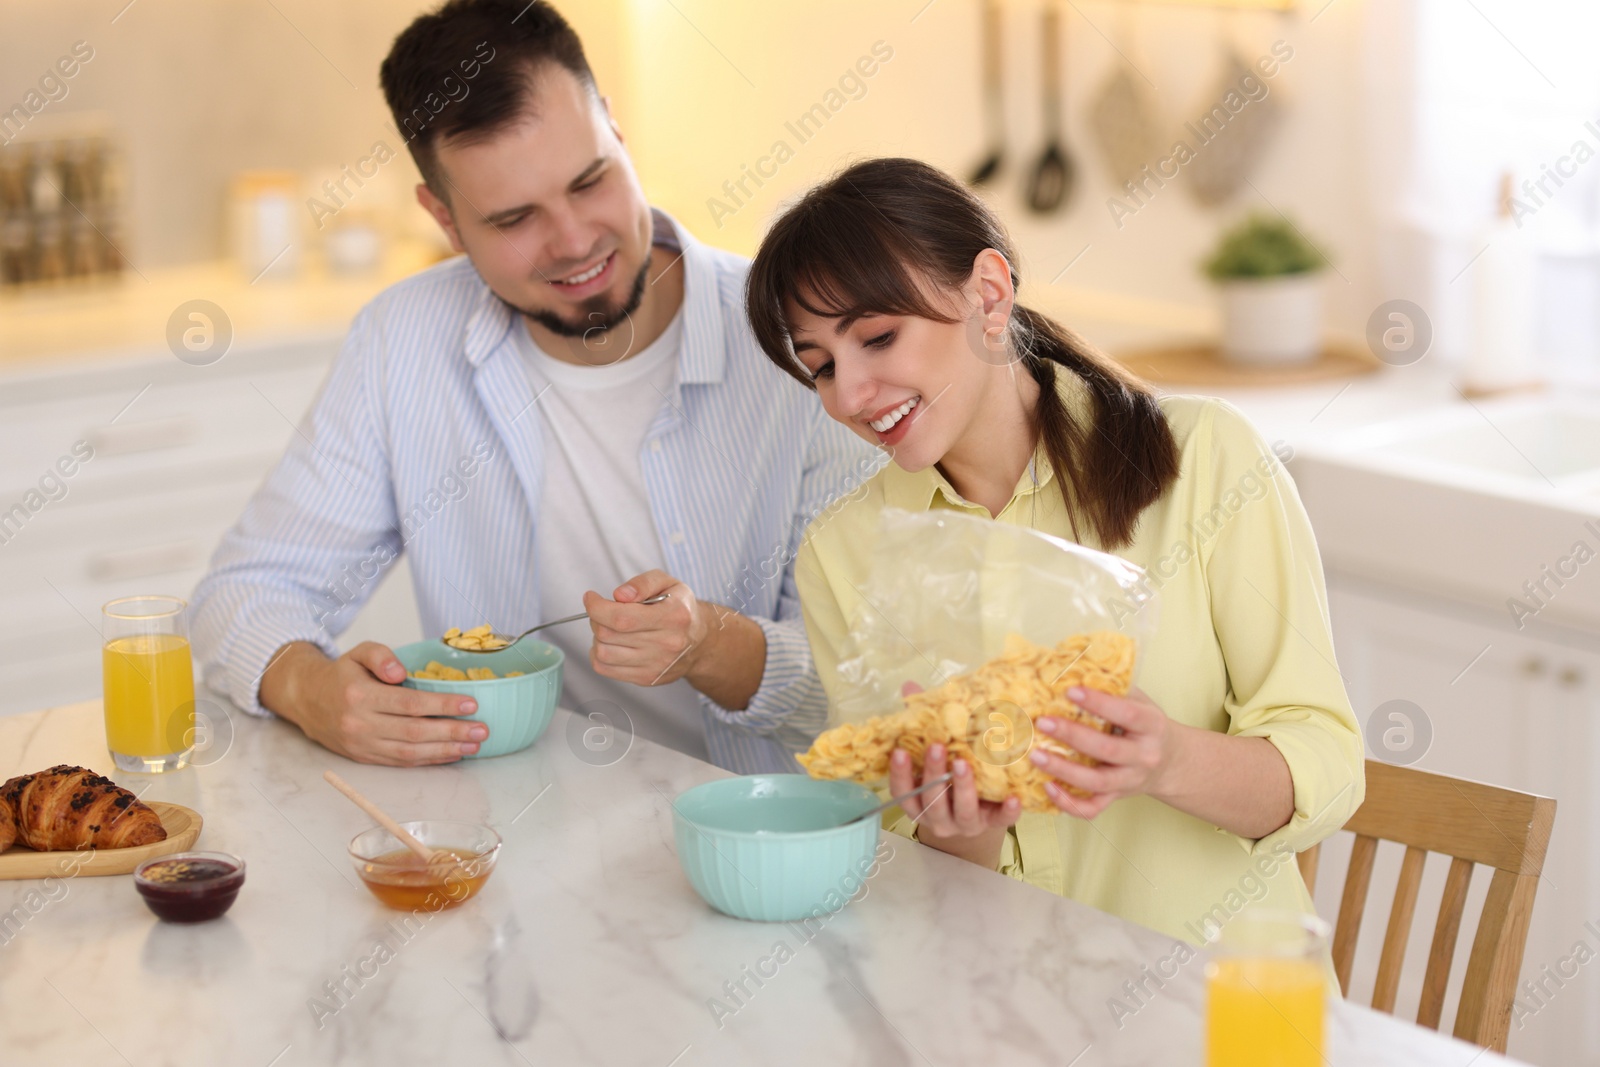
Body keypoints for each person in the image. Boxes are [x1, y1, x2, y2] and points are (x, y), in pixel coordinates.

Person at [188, 0, 876, 771]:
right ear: (445, 220)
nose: (575, 240)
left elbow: (871, 682)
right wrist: (314, 690)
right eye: (515, 218)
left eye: (590, 182)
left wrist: (712, 643)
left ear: (616, 130)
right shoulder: (403, 342)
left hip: (767, 848)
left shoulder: (800, 345)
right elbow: (239, 593)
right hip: (516, 840)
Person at [744, 157, 1364, 945]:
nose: (852, 395)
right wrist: (956, 828)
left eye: (878, 337)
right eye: (821, 366)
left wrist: (1168, 759)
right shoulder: (843, 551)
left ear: (989, 296)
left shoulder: (1207, 460)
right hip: (1005, 1011)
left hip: (1223, 1008)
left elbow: (1329, 764)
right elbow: (902, 868)